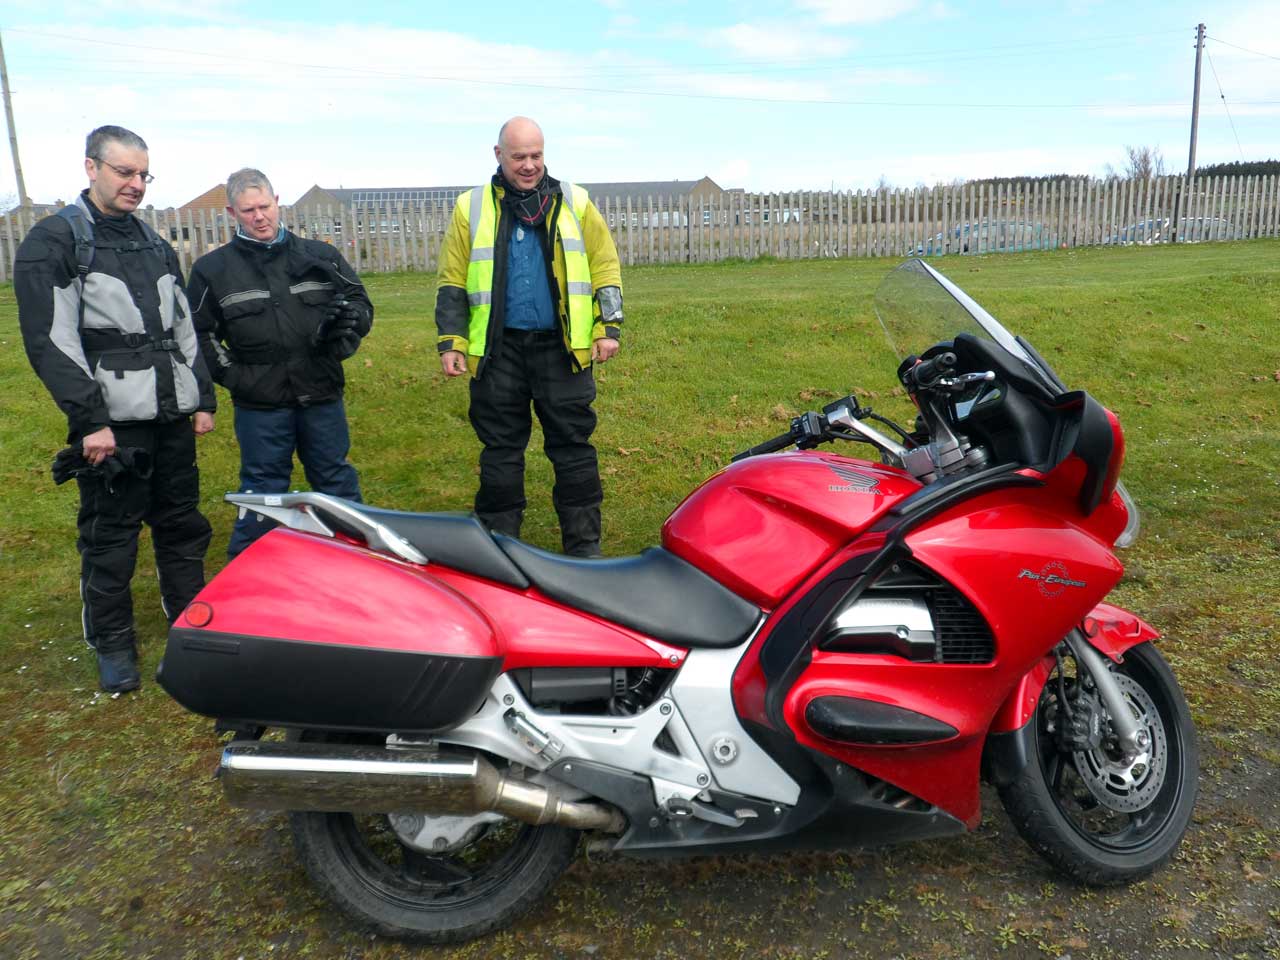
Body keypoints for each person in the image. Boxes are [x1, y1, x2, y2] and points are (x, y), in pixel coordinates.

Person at [15, 125, 216, 694]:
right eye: (124, 172)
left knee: (182, 525)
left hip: (171, 413)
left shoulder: (153, 243)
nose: (135, 185)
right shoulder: (55, 243)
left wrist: (200, 397)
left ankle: (191, 624)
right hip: (113, 422)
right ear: (91, 167)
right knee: (111, 535)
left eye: (143, 175)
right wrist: (90, 421)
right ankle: (112, 642)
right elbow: (51, 342)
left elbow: (184, 327)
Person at [436, 116, 624, 557]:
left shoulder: (575, 202)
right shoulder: (472, 207)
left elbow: (605, 267)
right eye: (518, 156)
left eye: (536, 155)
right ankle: (499, 549)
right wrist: (452, 340)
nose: (528, 165)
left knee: (573, 448)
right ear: (498, 155)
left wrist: (608, 327)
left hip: (562, 351)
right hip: (498, 352)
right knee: (500, 451)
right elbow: (452, 279)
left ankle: (583, 549)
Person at [188, 168, 373, 558]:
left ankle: (358, 566)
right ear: (231, 212)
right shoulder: (213, 271)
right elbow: (199, 335)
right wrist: (234, 377)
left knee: (336, 484)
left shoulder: (320, 256)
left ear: (278, 202)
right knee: (263, 494)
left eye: (265, 206)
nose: (259, 217)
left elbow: (359, 302)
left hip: (321, 394)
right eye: (248, 210)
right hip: (260, 404)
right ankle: (251, 589)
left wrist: (351, 326)